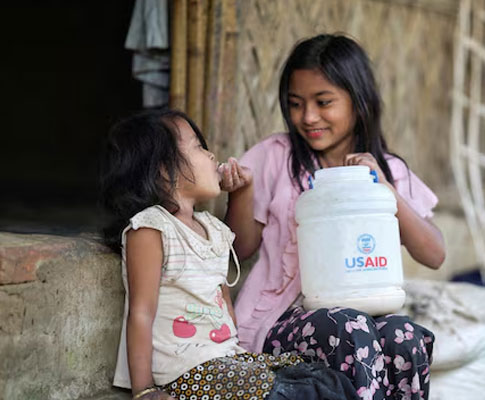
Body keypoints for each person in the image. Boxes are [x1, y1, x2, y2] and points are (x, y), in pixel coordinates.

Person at [221, 34, 445, 400]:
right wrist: (242, 193)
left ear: (358, 103)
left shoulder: (388, 169)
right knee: (350, 326)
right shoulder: (276, 157)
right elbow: (240, 248)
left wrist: (386, 190)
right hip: (283, 322)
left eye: (323, 102)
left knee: (404, 336)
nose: (308, 117)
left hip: (364, 319)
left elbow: (435, 254)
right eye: (295, 104)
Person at [100, 109, 357, 400]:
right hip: (187, 373)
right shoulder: (151, 228)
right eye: (198, 147)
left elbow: (223, 301)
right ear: (161, 168)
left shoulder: (213, 229)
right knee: (294, 393)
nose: (211, 156)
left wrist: (240, 356)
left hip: (225, 362)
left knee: (322, 380)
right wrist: (145, 390)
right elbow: (141, 312)